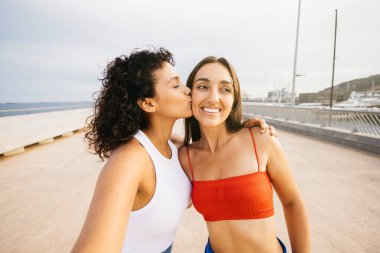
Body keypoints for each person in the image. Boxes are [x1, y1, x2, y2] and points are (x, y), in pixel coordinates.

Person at [71, 48, 275, 253]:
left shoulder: (175, 148)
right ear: (149, 103)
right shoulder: (129, 160)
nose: (188, 90)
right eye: (176, 85)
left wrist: (241, 131)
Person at [179, 56, 310, 253]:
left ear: (234, 99)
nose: (213, 97)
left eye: (225, 89)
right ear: (190, 95)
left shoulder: (260, 139)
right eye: (203, 86)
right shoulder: (186, 158)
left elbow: (293, 203)